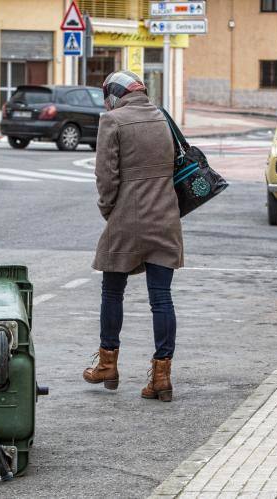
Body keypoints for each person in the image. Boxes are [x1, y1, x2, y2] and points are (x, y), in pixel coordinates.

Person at [83, 71, 183, 402]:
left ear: (114, 95)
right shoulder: (162, 117)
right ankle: (161, 377)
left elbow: (105, 176)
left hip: (127, 217)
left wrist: (109, 211)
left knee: (112, 291)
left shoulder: (112, 121)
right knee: (161, 297)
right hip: (165, 217)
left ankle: (108, 365)